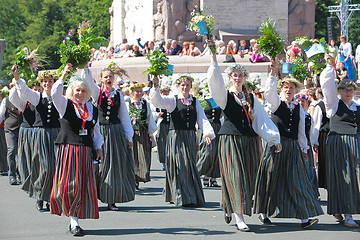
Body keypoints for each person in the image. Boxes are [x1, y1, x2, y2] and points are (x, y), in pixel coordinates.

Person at [207, 51, 281, 231]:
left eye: (240, 75)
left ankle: (228, 205)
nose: (237, 78)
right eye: (234, 75)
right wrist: (214, 60)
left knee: (249, 176)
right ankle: (239, 217)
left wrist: (274, 139)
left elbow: (261, 119)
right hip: (230, 140)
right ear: (230, 77)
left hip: (248, 140)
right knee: (235, 176)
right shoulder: (225, 96)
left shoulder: (250, 98)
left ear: (244, 77)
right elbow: (214, 83)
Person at [254, 59, 323, 229]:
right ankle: (263, 212)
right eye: (285, 87)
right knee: (271, 177)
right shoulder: (276, 103)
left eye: (291, 88)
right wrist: (272, 73)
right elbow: (269, 93)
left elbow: (300, 131)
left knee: (298, 181)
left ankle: (305, 218)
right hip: (276, 146)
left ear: (295, 90)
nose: (288, 90)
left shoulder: (299, 107)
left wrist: (304, 148)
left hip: (292, 147)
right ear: (282, 89)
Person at [50, 63, 104, 236]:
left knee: (81, 186)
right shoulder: (64, 104)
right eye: (77, 90)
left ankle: (75, 221)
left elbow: (95, 130)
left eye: (82, 90)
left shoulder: (91, 109)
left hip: (85, 151)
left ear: (87, 92)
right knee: (68, 185)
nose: (79, 93)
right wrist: (64, 75)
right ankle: (70, 216)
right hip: (68, 150)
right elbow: (54, 93)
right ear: (72, 91)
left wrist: (99, 147)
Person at [150, 75, 215, 207]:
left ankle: (191, 195)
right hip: (177, 136)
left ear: (191, 87)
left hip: (190, 136)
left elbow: (202, 118)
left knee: (190, 165)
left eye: (187, 85)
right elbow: (158, 101)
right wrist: (156, 87)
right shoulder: (173, 100)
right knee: (180, 165)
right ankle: (182, 196)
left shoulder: (195, 102)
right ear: (179, 86)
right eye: (183, 85)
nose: (185, 87)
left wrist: (207, 133)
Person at [82, 66, 135, 211]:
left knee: (114, 165)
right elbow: (89, 84)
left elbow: (124, 116)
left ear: (114, 78)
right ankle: (94, 197)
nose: (108, 79)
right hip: (101, 131)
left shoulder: (118, 95)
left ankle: (111, 199)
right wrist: (86, 68)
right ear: (101, 79)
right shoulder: (98, 93)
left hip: (116, 132)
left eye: (110, 76)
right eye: (105, 77)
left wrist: (128, 136)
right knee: (99, 165)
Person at [320, 55, 360, 228]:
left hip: (356, 143)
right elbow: (327, 86)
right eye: (345, 90)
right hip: (339, 143)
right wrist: (330, 67)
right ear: (340, 92)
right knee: (344, 178)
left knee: (356, 177)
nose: (348, 92)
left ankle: (341, 208)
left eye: (351, 89)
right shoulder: (333, 104)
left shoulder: (357, 106)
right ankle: (347, 214)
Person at [9, 80, 42, 194]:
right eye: (35, 89)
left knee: (39, 161)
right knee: (28, 160)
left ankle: (40, 187)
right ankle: (30, 184)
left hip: (39, 133)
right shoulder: (24, 103)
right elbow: (12, 97)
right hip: (27, 132)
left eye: (39, 89)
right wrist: (16, 83)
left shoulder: (43, 101)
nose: (37, 91)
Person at [127, 83, 157, 189]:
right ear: (132, 93)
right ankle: (133, 178)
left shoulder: (145, 103)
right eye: (137, 91)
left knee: (143, 156)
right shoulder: (128, 104)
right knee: (132, 155)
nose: (139, 93)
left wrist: (150, 134)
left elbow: (149, 118)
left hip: (143, 133)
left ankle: (139, 177)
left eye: (140, 91)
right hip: (132, 134)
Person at [196, 94, 222, 188]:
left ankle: (212, 177)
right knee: (207, 152)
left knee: (216, 153)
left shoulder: (219, 100)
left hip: (217, 126)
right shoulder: (203, 100)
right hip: (207, 126)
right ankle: (198, 172)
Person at [0, 80, 22, 185]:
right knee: (12, 150)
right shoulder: (6, 100)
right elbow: (1, 115)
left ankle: (20, 174)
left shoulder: (24, 99)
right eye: (13, 86)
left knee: (21, 153)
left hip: (21, 129)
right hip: (10, 129)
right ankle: (12, 175)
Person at [310, 88, 329, 190]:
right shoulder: (320, 105)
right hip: (324, 136)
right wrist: (314, 141)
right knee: (325, 162)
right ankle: (327, 184)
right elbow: (316, 124)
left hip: (336, 135)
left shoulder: (339, 103)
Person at [155, 87, 171, 171]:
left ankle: (170, 161)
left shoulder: (171, 100)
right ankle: (164, 162)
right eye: (164, 92)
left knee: (170, 143)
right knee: (162, 143)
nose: (166, 93)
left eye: (167, 92)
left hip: (170, 125)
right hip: (162, 125)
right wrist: (158, 114)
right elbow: (152, 111)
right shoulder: (159, 102)